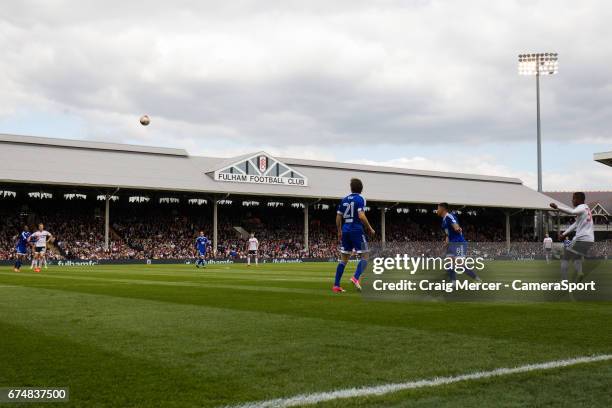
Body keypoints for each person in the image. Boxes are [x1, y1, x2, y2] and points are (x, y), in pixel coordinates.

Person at [333, 178, 375, 292]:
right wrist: (370, 228)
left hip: (345, 229)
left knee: (344, 260)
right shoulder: (360, 199)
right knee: (365, 256)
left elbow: (338, 217)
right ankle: (356, 278)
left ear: (351, 188)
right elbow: (361, 215)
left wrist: (339, 231)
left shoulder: (344, 199)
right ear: (361, 189)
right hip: (356, 229)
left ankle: (336, 285)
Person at [550, 192, 594, 281]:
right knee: (576, 257)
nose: (572, 200)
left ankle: (564, 282)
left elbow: (572, 212)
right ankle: (580, 273)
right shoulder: (586, 208)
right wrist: (564, 234)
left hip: (581, 239)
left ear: (579, 200)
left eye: (574, 198)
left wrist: (557, 207)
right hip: (589, 240)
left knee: (564, 258)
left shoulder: (580, 207)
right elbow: (575, 224)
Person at [436, 203, 481, 283]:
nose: (437, 210)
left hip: (459, 243)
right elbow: (447, 234)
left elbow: (456, 226)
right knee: (449, 263)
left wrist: (457, 228)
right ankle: (453, 282)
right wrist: (446, 242)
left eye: (438, 208)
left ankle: (476, 278)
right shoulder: (443, 221)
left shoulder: (449, 216)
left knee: (459, 264)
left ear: (443, 209)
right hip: (452, 244)